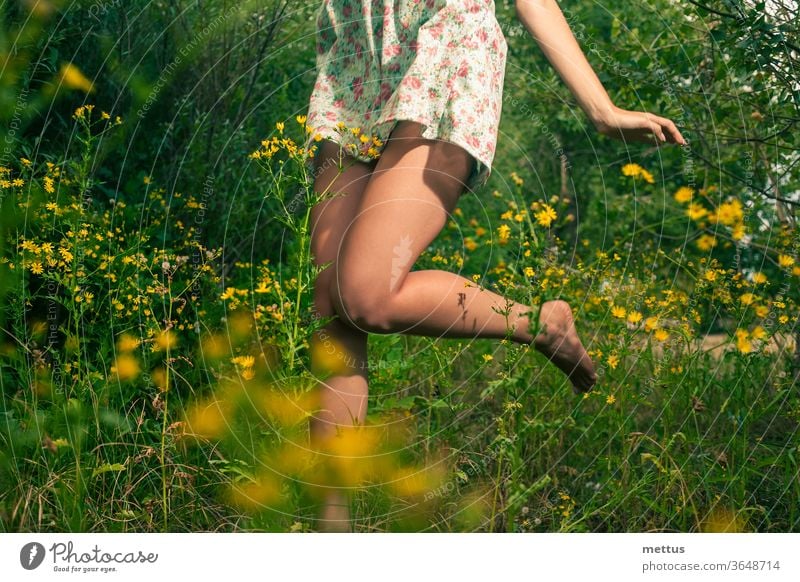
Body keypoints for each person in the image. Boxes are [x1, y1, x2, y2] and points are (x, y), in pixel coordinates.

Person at [304, 0, 686, 532]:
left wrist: (600, 107)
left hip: (443, 43)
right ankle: (329, 535)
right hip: (353, 53)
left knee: (364, 296)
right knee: (329, 310)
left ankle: (539, 324)